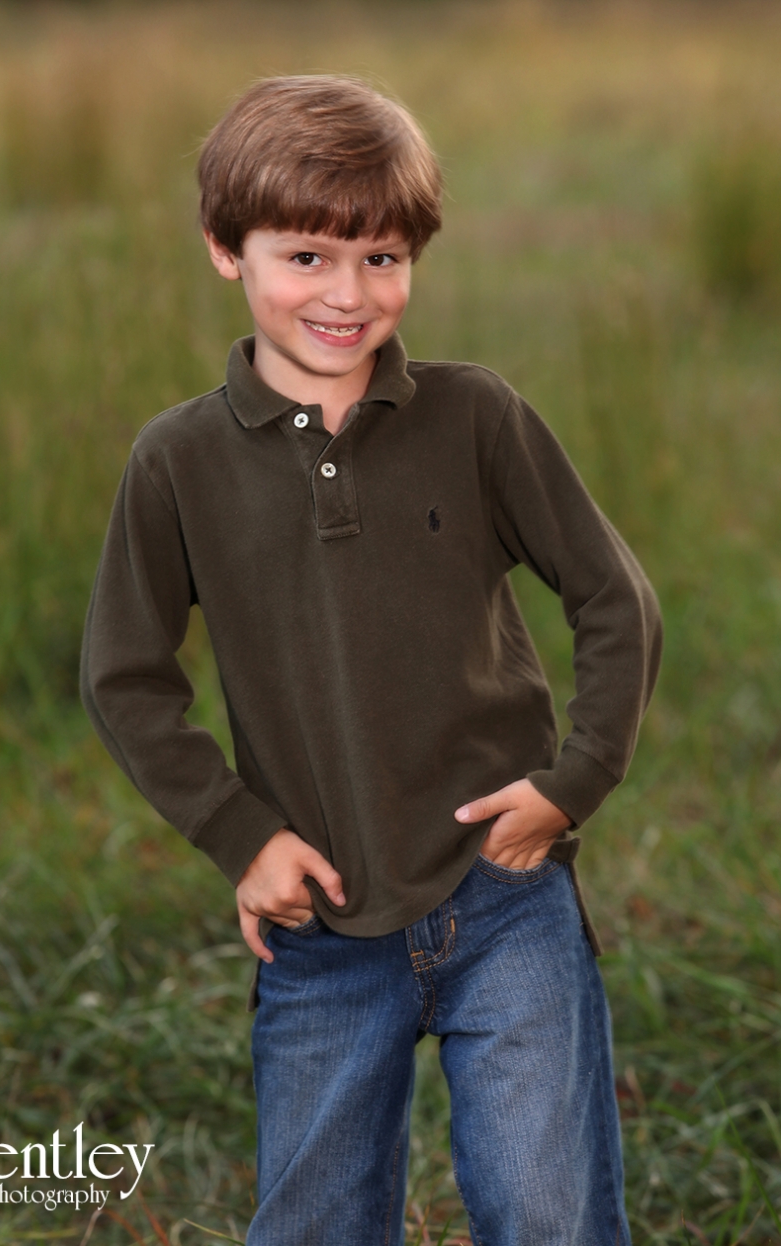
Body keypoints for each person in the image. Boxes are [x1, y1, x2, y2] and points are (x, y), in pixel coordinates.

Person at [80, 75, 661, 1246]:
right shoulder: (177, 462)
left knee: (547, 1214)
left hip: (504, 892)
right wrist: (241, 837)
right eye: (305, 257)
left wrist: (570, 782)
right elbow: (125, 675)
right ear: (223, 251)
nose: (347, 295)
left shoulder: (476, 419)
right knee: (313, 1225)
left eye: (382, 259)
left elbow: (616, 598)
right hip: (322, 920)